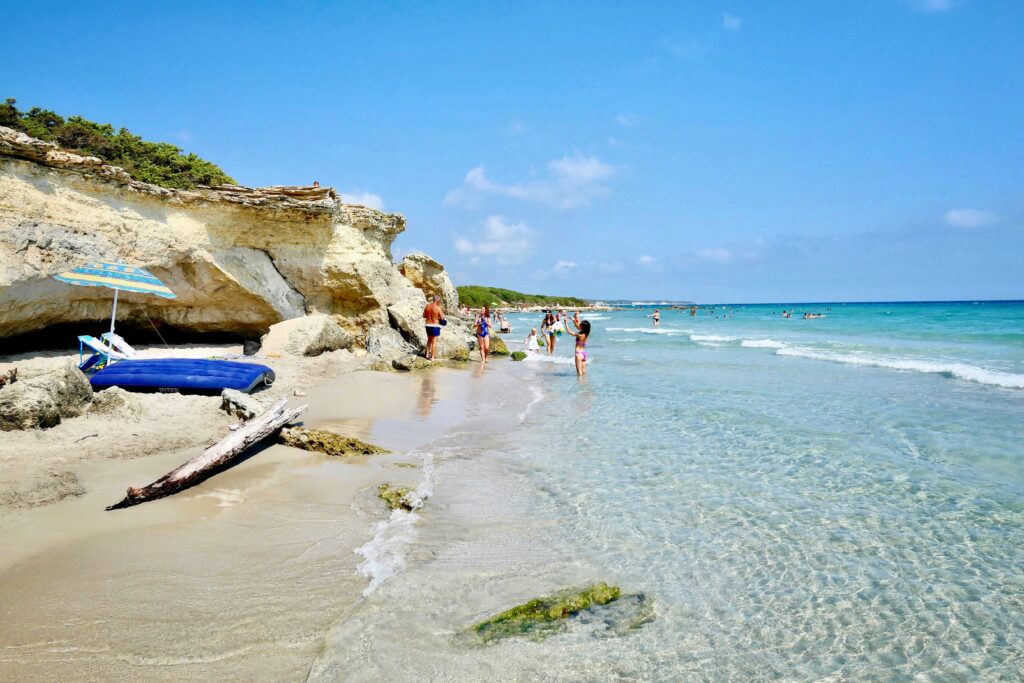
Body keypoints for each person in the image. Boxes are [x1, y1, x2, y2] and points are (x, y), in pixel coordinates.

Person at [422, 294, 446, 360]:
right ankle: (432, 357)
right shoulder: (438, 308)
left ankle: (426, 355)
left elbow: (424, 315)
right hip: (435, 325)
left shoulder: (427, 306)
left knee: (429, 340)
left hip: (427, 325)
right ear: (438, 300)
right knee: (434, 341)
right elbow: (442, 318)